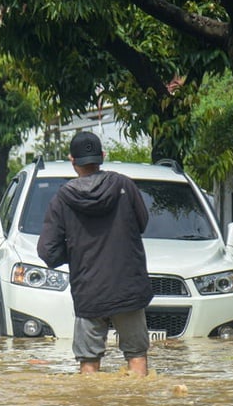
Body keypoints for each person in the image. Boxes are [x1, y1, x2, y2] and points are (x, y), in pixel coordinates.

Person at [37, 131, 153, 376]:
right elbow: (142, 224)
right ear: (102, 156)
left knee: (88, 360)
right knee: (136, 355)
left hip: (89, 291)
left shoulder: (62, 198)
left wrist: (77, 253)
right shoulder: (124, 186)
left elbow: (47, 251)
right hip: (128, 288)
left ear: (72, 161)